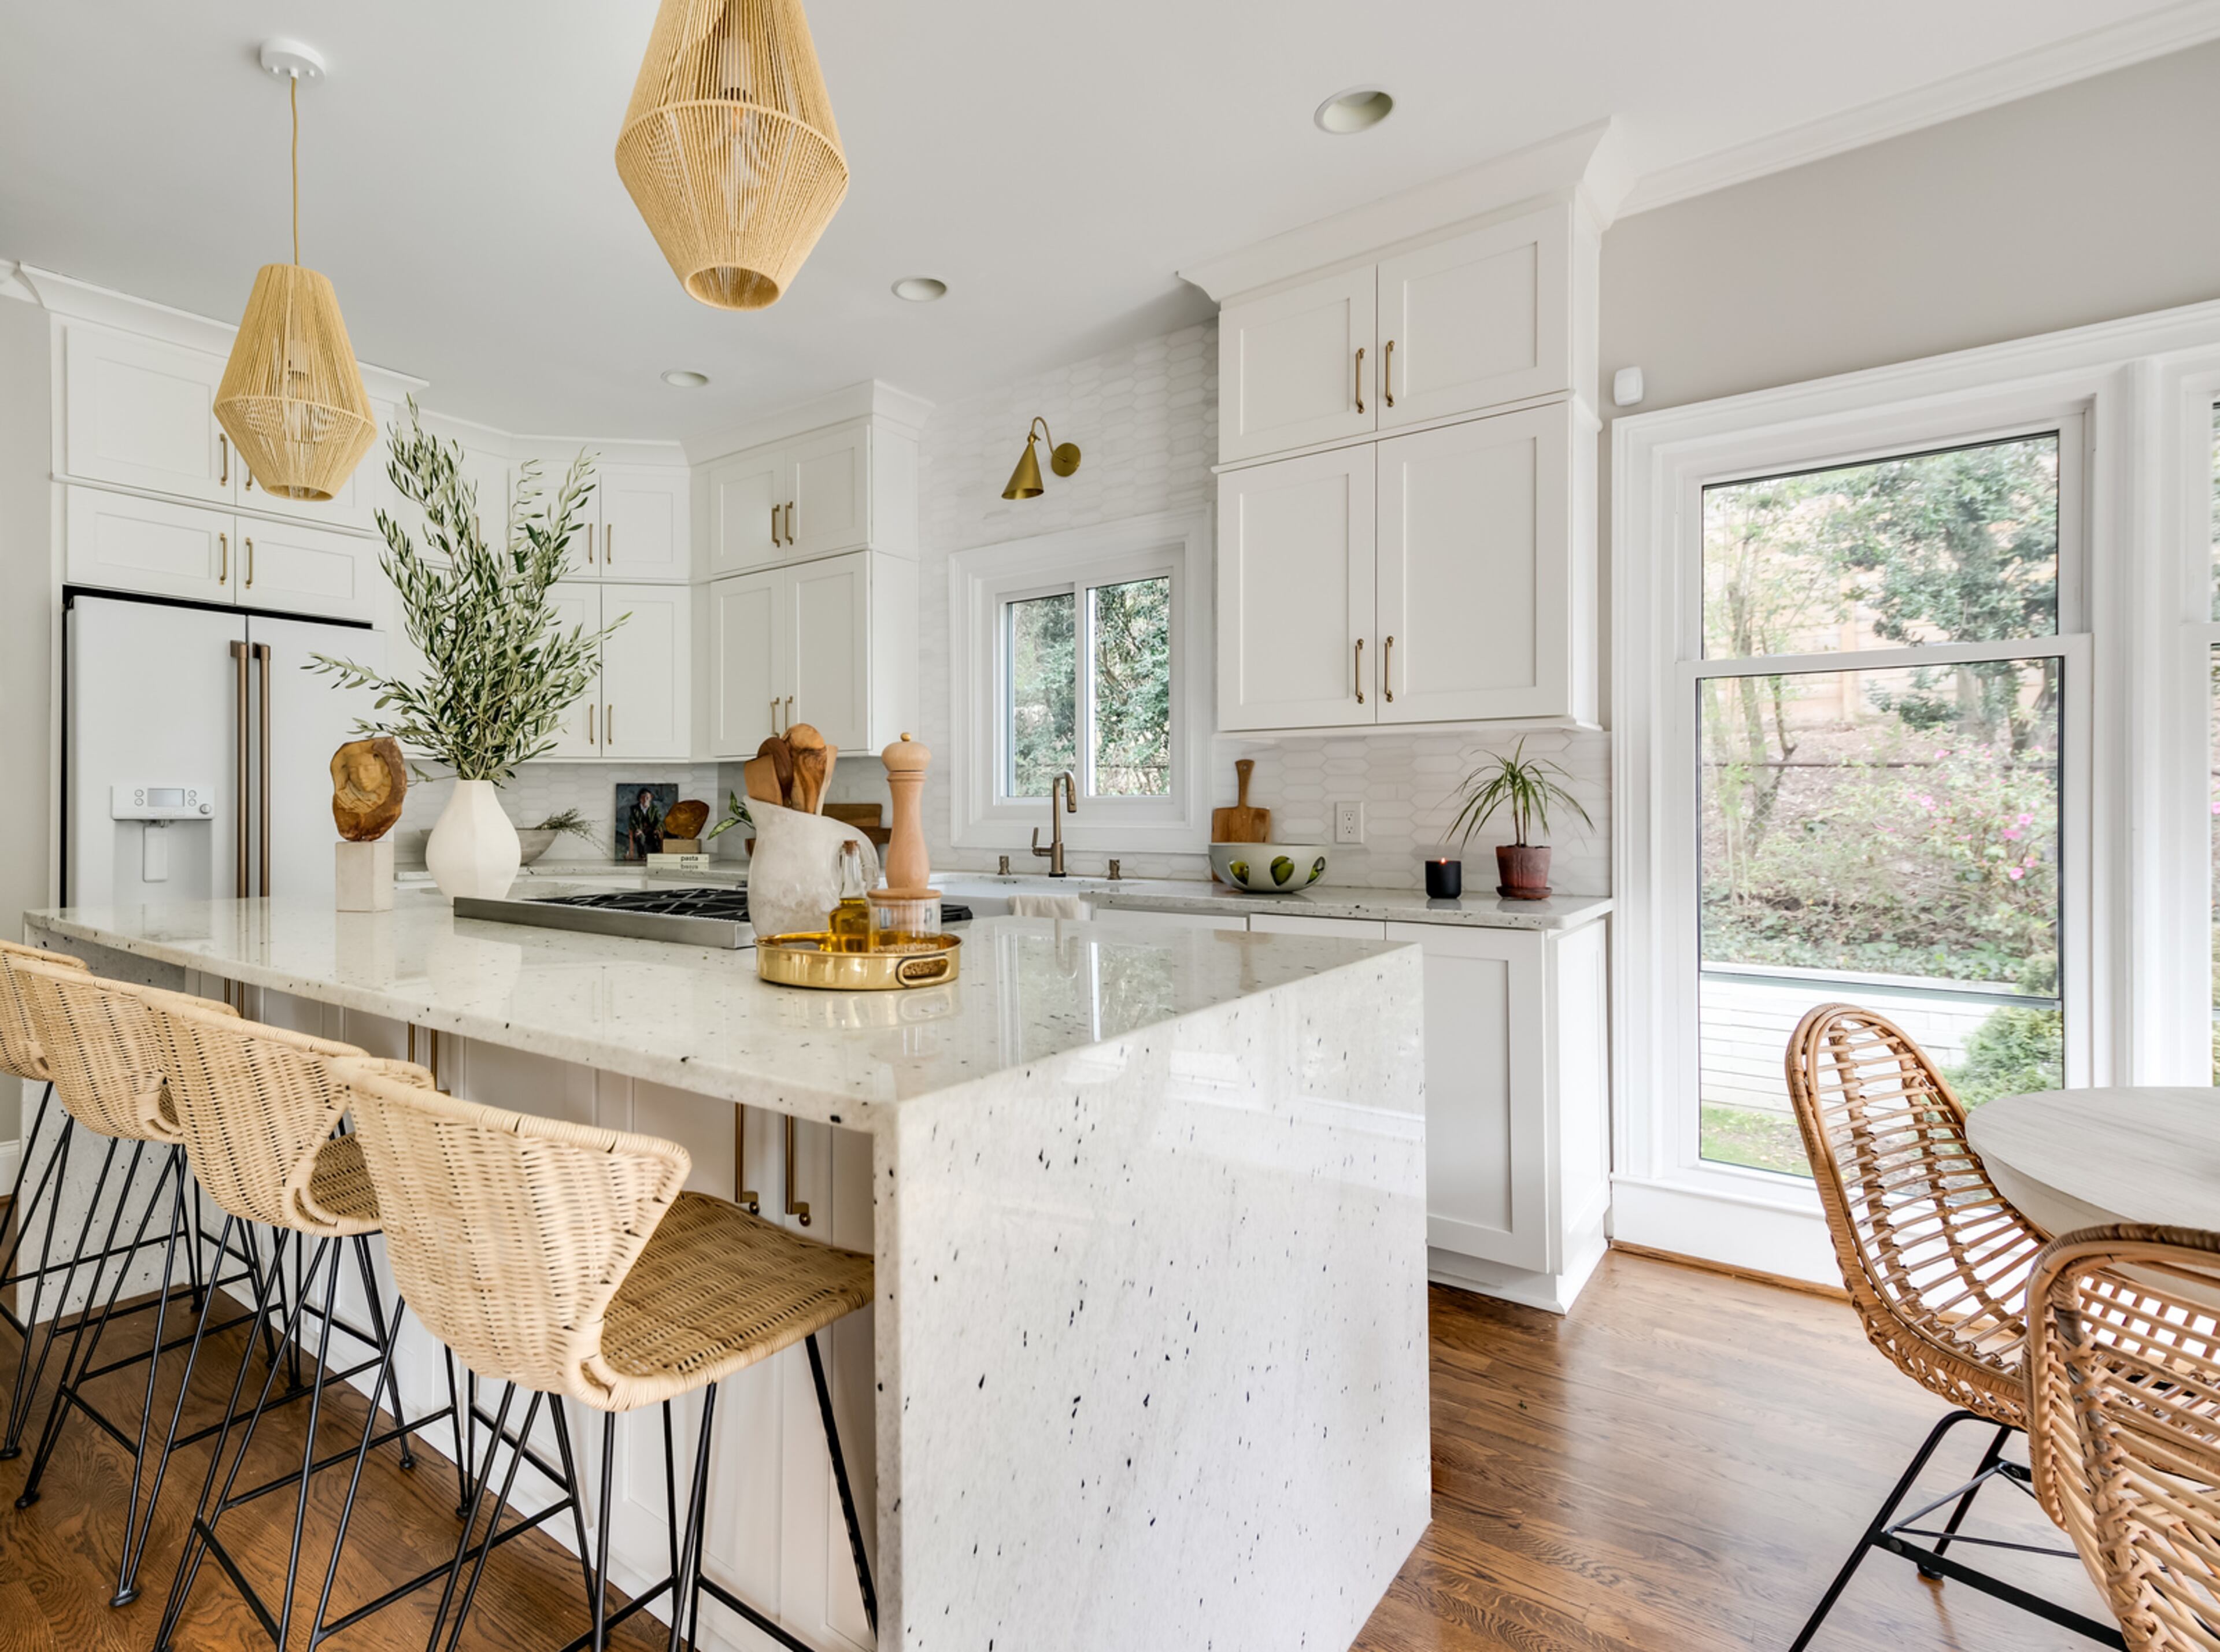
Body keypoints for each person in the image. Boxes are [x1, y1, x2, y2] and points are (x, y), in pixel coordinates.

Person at [626, 788, 665, 860]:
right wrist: (637, 829)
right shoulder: (634, 809)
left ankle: (654, 856)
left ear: (650, 798)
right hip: (640, 830)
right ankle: (642, 856)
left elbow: (659, 821)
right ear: (640, 799)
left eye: (647, 798)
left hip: (651, 830)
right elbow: (632, 821)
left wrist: (656, 828)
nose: (645, 800)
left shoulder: (654, 809)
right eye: (643, 798)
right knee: (640, 837)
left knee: (655, 836)